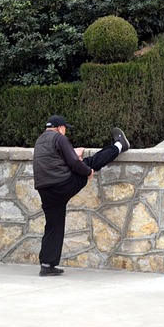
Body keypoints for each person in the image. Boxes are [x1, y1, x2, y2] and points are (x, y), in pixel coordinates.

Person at [33, 114, 129, 277]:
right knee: (90, 162)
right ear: (60, 128)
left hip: (44, 189)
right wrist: (88, 171)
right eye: (65, 129)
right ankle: (120, 145)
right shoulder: (58, 138)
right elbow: (73, 162)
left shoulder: (40, 141)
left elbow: (55, 161)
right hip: (62, 185)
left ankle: (47, 264)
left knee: (53, 225)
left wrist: (75, 154)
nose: (65, 132)